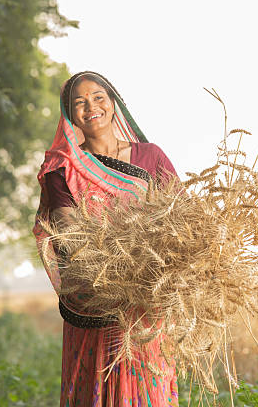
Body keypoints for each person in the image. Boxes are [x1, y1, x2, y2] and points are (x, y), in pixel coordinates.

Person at [33, 71, 179, 407]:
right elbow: (68, 233)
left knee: (148, 392)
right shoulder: (63, 169)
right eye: (79, 103)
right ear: (70, 116)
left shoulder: (150, 157)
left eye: (98, 97)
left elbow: (181, 215)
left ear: (114, 104)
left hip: (146, 301)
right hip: (94, 297)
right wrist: (114, 270)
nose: (90, 107)